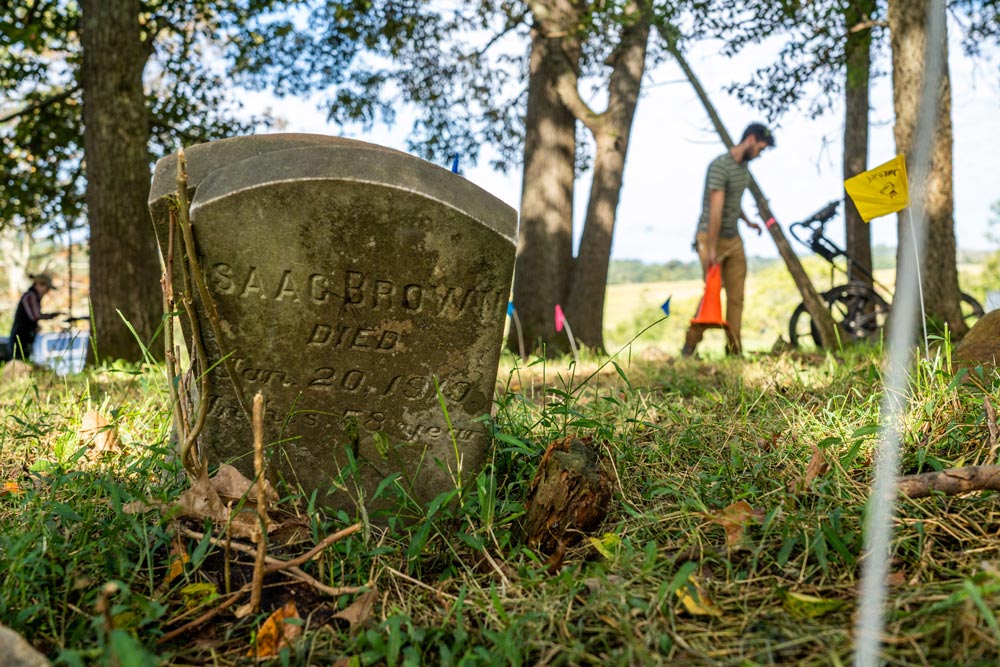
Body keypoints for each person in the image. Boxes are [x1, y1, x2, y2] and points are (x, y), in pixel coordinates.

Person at [681, 123, 774, 358]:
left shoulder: (743, 170)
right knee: (713, 291)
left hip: (734, 239)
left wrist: (748, 221)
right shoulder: (720, 166)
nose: (759, 154)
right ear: (751, 139)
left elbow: (733, 201)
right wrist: (711, 248)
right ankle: (689, 347)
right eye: (760, 149)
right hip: (710, 236)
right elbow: (716, 209)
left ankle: (734, 350)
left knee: (737, 296)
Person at [6, 273, 61, 361]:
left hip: (26, 336)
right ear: (39, 285)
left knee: (25, 359)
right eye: (46, 288)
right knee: (19, 360)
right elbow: (35, 316)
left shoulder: (34, 297)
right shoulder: (30, 296)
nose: (47, 292)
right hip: (21, 335)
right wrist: (51, 316)